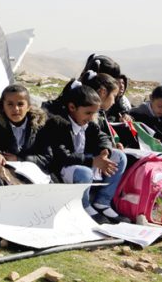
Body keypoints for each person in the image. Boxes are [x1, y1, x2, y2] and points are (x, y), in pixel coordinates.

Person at [40, 79, 129, 224]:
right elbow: (62, 155)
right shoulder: (57, 123)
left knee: (119, 157)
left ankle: (103, 202)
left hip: (83, 160)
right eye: (87, 113)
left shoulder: (89, 122)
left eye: (93, 113)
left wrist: (104, 151)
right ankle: (84, 205)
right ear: (72, 107)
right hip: (64, 166)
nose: (91, 117)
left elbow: (102, 136)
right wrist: (92, 161)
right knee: (85, 173)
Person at [0, 84, 53, 173]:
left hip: (33, 173)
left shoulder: (39, 124)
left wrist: (19, 159)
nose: (15, 109)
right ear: (3, 107)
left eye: (20, 104)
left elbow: (47, 158)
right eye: (10, 104)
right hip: (3, 170)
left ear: (28, 107)